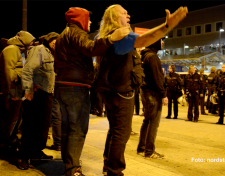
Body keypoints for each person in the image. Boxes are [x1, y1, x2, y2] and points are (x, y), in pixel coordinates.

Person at [94, 5, 188, 176]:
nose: (128, 15)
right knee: (121, 134)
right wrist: (167, 25)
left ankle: (108, 165)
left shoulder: (109, 38)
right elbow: (146, 38)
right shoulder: (121, 36)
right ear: (114, 19)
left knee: (115, 131)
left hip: (112, 92)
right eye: (123, 13)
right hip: (121, 93)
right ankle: (114, 171)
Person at [54, 7, 130, 176]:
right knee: (77, 129)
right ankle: (73, 169)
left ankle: (69, 163)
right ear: (79, 19)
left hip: (63, 85)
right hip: (75, 87)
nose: (89, 22)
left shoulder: (63, 35)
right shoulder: (76, 32)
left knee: (67, 127)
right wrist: (111, 38)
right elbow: (90, 48)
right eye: (87, 19)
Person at [17, 32, 59, 170]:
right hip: (36, 93)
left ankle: (36, 151)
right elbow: (27, 70)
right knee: (30, 126)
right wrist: (28, 90)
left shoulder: (54, 54)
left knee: (43, 126)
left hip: (47, 93)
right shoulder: (40, 50)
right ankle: (23, 156)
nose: (56, 43)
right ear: (48, 40)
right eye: (54, 40)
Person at [0, 31, 35, 150]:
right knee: (11, 118)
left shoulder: (19, 51)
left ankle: (11, 139)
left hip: (17, 90)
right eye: (30, 41)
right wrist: (13, 92)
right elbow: (9, 72)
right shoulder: (11, 50)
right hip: (12, 90)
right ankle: (4, 142)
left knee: (15, 118)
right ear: (24, 40)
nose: (31, 44)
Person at [137, 38, 167, 159]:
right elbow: (157, 78)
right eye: (161, 40)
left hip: (145, 91)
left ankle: (142, 148)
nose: (163, 42)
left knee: (147, 120)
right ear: (155, 42)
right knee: (153, 122)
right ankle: (149, 151)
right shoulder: (153, 57)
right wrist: (163, 94)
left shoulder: (144, 56)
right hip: (153, 94)